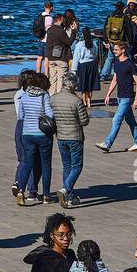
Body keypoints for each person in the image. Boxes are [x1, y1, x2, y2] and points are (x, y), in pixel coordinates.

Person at [50, 72, 89, 209]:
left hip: (61, 137)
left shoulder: (53, 99)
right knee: (77, 166)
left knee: (66, 165)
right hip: (75, 137)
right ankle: (65, 190)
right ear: (73, 85)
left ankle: (70, 197)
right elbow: (84, 121)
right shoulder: (76, 101)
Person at [15, 70, 54, 206]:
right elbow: (50, 114)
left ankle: (21, 190)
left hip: (27, 134)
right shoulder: (44, 96)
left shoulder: (24, 96)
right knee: (46, 165)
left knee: (27, 163)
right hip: (43, 135)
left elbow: (20, 116)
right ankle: (46, 195)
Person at [99, 42, 137, 153]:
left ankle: (107, 143)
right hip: (120, 97)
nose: (114, 51)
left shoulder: (130, 64)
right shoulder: (117, 62)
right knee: (130, 120)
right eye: (114, 50)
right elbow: (115, 79)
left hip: (127, 97)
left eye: (116, 50)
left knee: (116, 119)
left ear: (123, 50)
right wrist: (108, 94)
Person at [71, 27, 100, 107]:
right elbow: (95, 55)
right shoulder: (94, 44)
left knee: (83, 84)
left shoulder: (79, 45)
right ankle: (89, 101)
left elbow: (76, 57)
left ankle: (84, 101)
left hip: (83, 65)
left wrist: (74, 70)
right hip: (92, 64)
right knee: (90, 83)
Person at [43, 14, 71, 94]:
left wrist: (48, 57)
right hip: (61, 58)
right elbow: (68, 42)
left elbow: (48, 44)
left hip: (51, 58)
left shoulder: (50, 30)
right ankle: (59, 95)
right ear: (59, 20)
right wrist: (73, 33)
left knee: (53, 78)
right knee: (61, 79)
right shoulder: (60, 31)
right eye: (62, 20)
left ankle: (52, 96)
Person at [32, 0, 53, 74]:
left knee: (39, 58)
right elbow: (50, 30)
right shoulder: (50, 18)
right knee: (47, 59)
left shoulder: (40, 16)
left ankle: (38, 73)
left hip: (40, 39)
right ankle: (46, 75)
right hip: (47, 40)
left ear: (44, 7)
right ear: (51, 8)